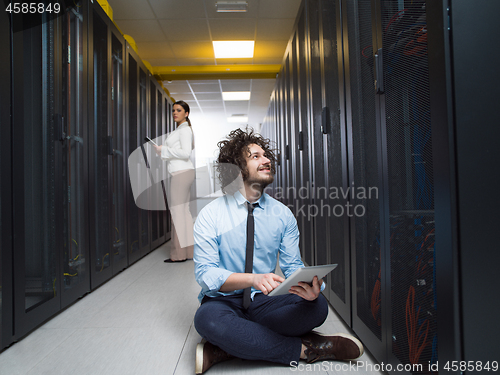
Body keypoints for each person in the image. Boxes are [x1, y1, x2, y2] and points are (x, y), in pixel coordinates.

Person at [192, 128, 363, 374]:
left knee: (317, 307)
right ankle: (307, 349)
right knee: (206, 320)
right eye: (255, 156)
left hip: (264, 301)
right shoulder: (211, 214)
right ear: (236, 168)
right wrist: (252, 279)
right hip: (224, 302)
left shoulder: (282, 214)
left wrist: (311, 289)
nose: (267, 160)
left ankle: (227, 347)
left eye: (266, 155)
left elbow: (293, 267)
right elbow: (206, 274)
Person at [154, 100, 195, 263]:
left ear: (186, 113)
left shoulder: (184, 130)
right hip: (184, 172)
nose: (175, 113)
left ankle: (178, 255)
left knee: (178, 213)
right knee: (184, 213)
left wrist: (163, 149)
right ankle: (189, 252)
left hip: (181, 173)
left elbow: (185, 153)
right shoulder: (181, 129)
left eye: (178, 110)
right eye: (173, 110)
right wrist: (164, 150)